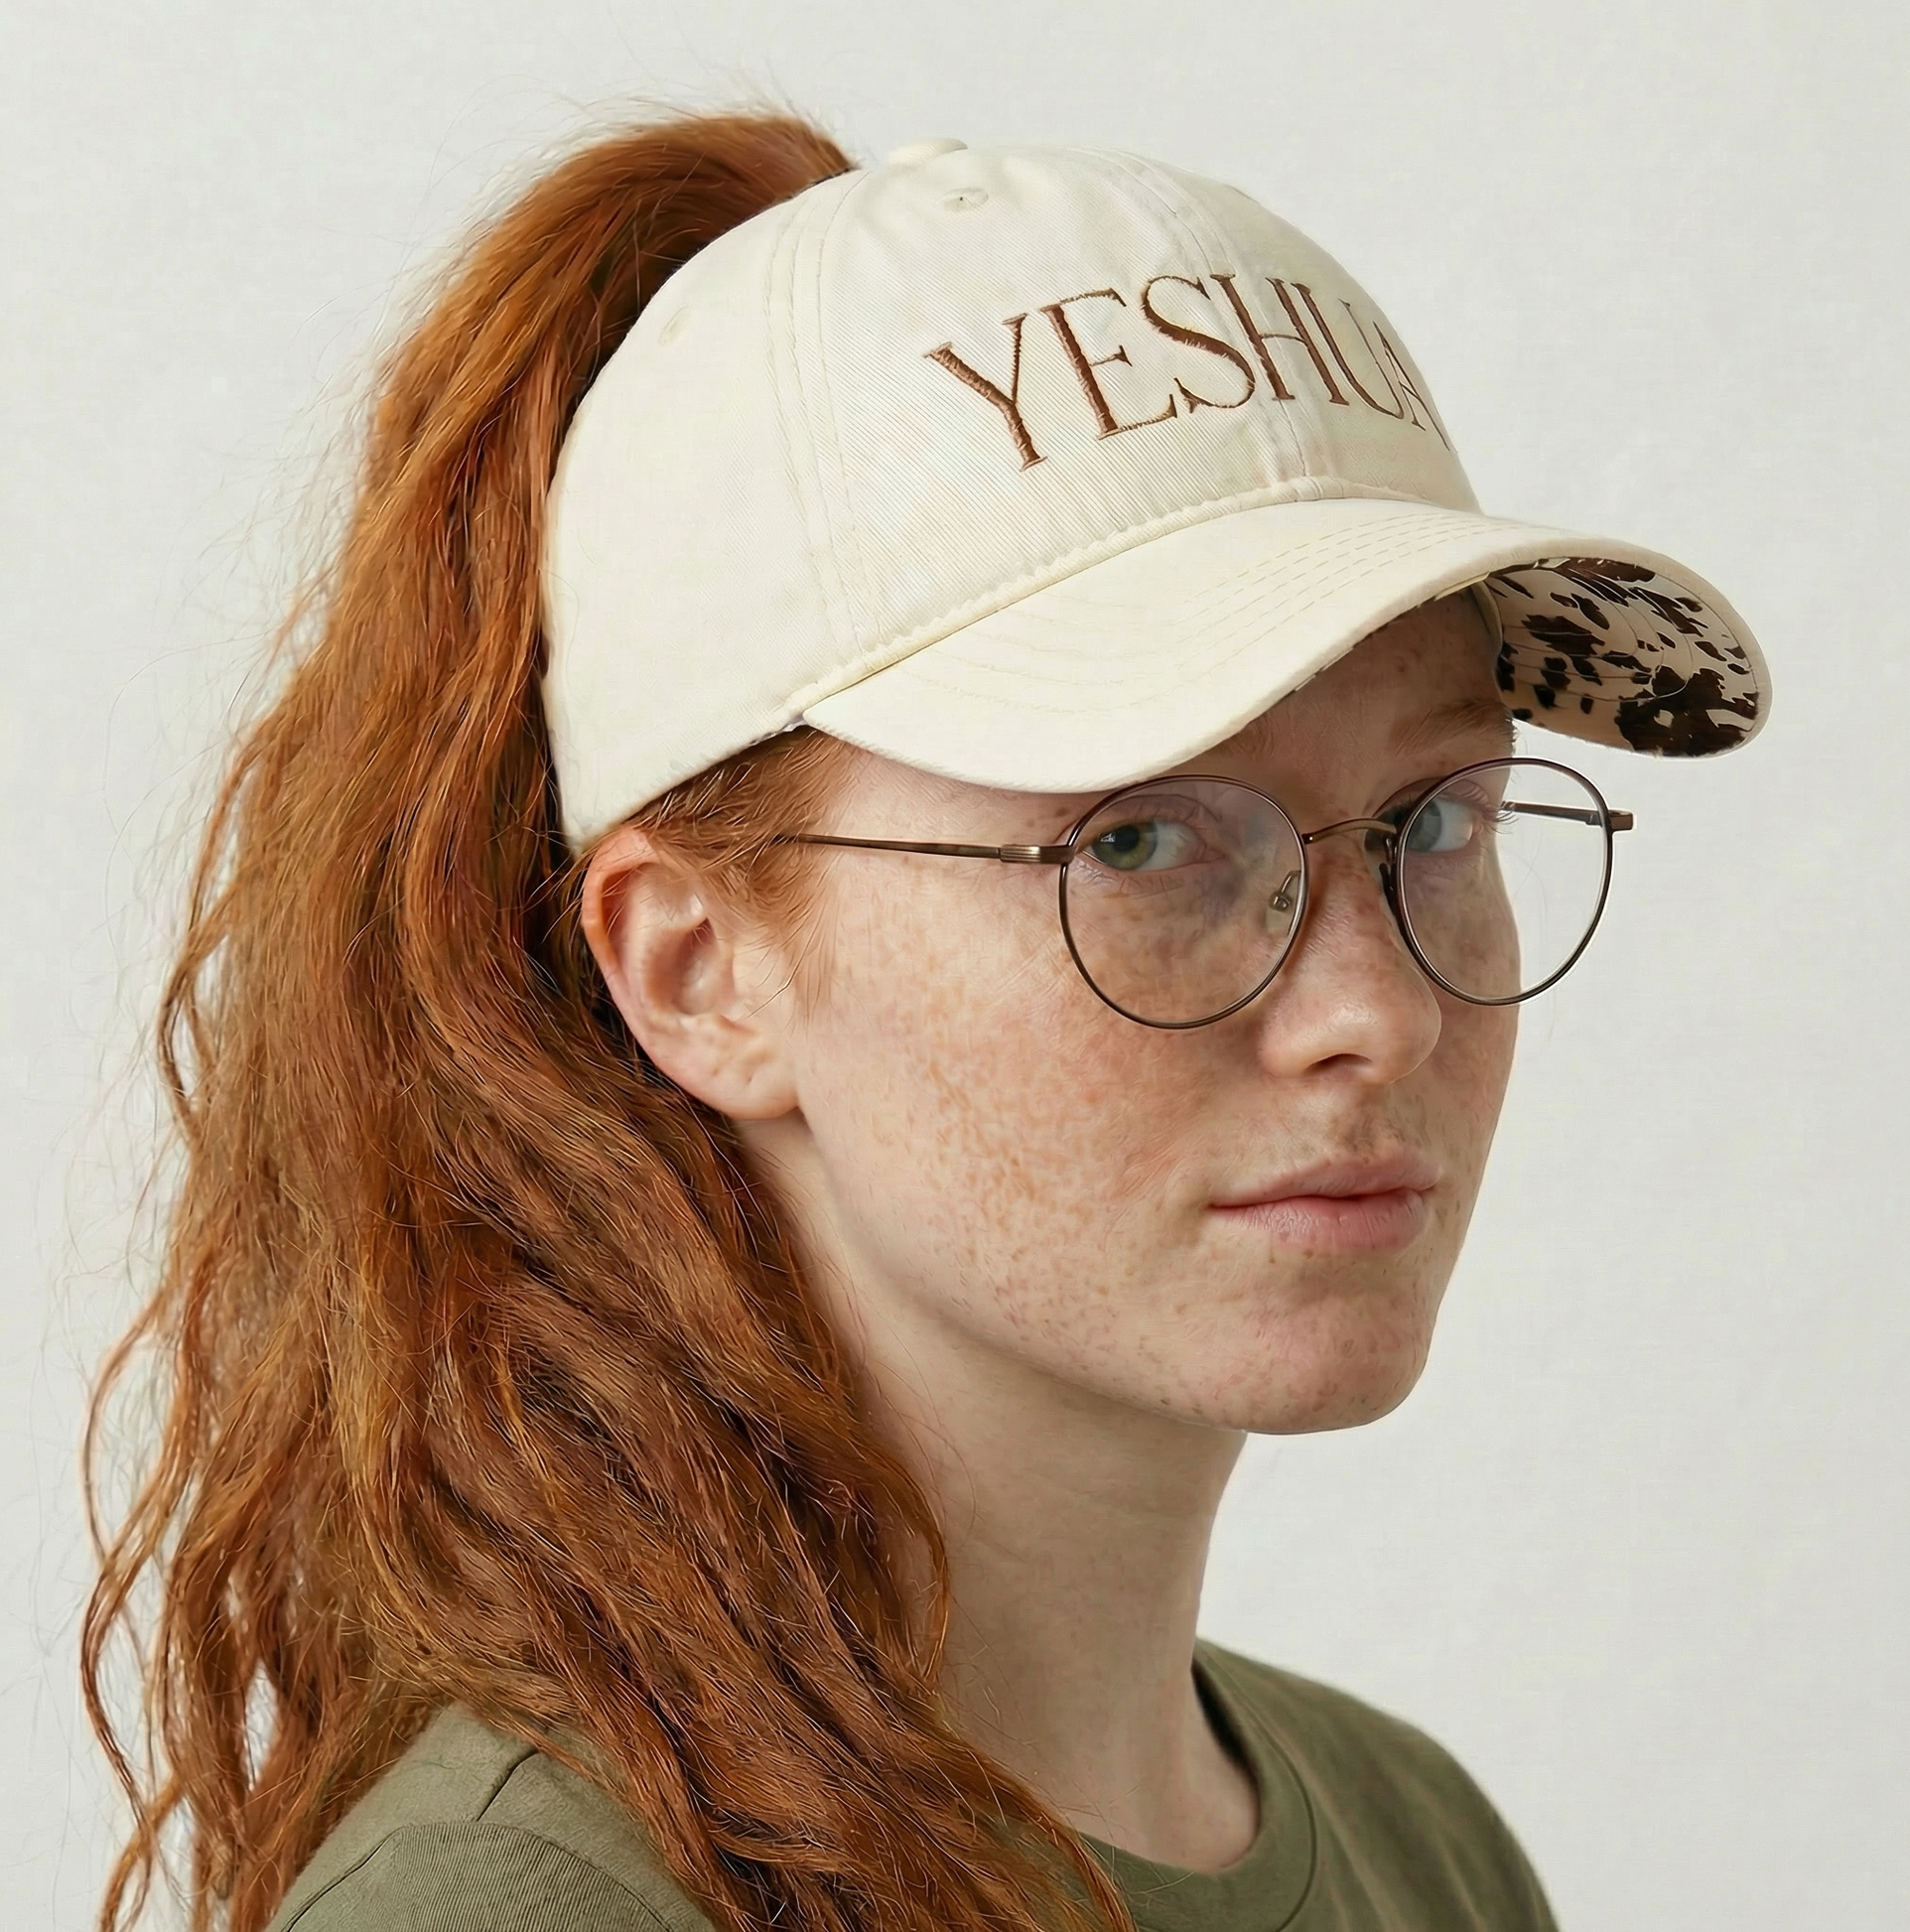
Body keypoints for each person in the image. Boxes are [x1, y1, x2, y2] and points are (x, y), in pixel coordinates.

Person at [82, 110, 1767, 1932]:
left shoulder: (1419, 1847)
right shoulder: (526, 1906)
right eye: (1138, 840)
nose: (1374, 1010)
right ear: (698, 967)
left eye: (1435, 820)